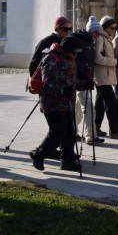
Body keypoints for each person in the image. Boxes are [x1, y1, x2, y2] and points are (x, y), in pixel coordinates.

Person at [29, 36, 84, 172]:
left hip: (66, 101)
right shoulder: (51, 58)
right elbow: (47, 82)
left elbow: (70, 79)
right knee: (58, 132)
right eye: (74, 52)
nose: (75, 55)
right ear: (67, 49)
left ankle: (67, 159)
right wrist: (61, 89)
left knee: (70, 132)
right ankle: (38, 154)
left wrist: (83, 83)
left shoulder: (68, 58)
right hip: (51, 102)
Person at [92, 16, 118, 138]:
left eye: (114, 27)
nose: (113, 29)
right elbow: (97, 58)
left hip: (104, 75)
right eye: (111, 27)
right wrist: (115, 62)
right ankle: (115, 130)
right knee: (111, 103)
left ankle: (95, 128)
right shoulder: (101, 38)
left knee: (100, 103)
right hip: (102, 76)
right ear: (105, 27)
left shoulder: (106, 38)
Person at [72, 24, 103, 146]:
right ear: (91, 31)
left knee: (79, 108)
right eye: (97, 33)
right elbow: (76, 61)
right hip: (81, 80)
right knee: (89, 108)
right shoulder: (81, 41)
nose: (98, 36)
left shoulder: (89, 41)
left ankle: (73, 131)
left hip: (87, 79)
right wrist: (85, 72)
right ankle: (91, 136)